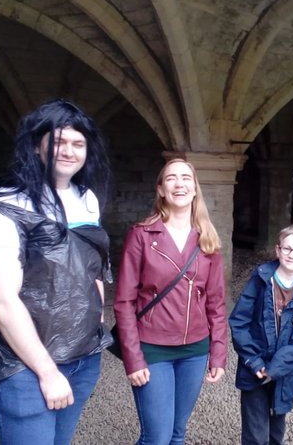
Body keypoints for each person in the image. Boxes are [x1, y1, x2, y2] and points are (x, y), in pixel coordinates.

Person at [0, 98, 114, 445]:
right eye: (59, 141)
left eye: (78, 143)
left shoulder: (86, 199)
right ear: (37, 146)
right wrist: (47, 372)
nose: (69, 151)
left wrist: (96, 322)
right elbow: (2, 301)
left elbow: (92, 265)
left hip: (82, 355)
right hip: (25, 364)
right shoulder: (5, 206)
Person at [114, 158, 228, 445]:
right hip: (153, 348)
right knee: (157, 437)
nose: (179, 184)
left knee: (177, 433)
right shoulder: (141, 235)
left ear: (195, 188)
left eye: (186, 178)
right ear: (161, 189)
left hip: (195, 350)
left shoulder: (207, 238)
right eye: (171, 178)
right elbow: (124, 302)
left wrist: (218, 353)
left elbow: (216, 302)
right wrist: (133, 358)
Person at [229, 223, 293, 445]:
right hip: (254, 369)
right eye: (287, 248)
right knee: (255, 435)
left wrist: (275, 368)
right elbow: (239, 322)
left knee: (276, 432)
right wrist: (254, 362)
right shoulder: (260, 281)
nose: (292, 255)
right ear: (278, 250)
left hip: (285, 372)